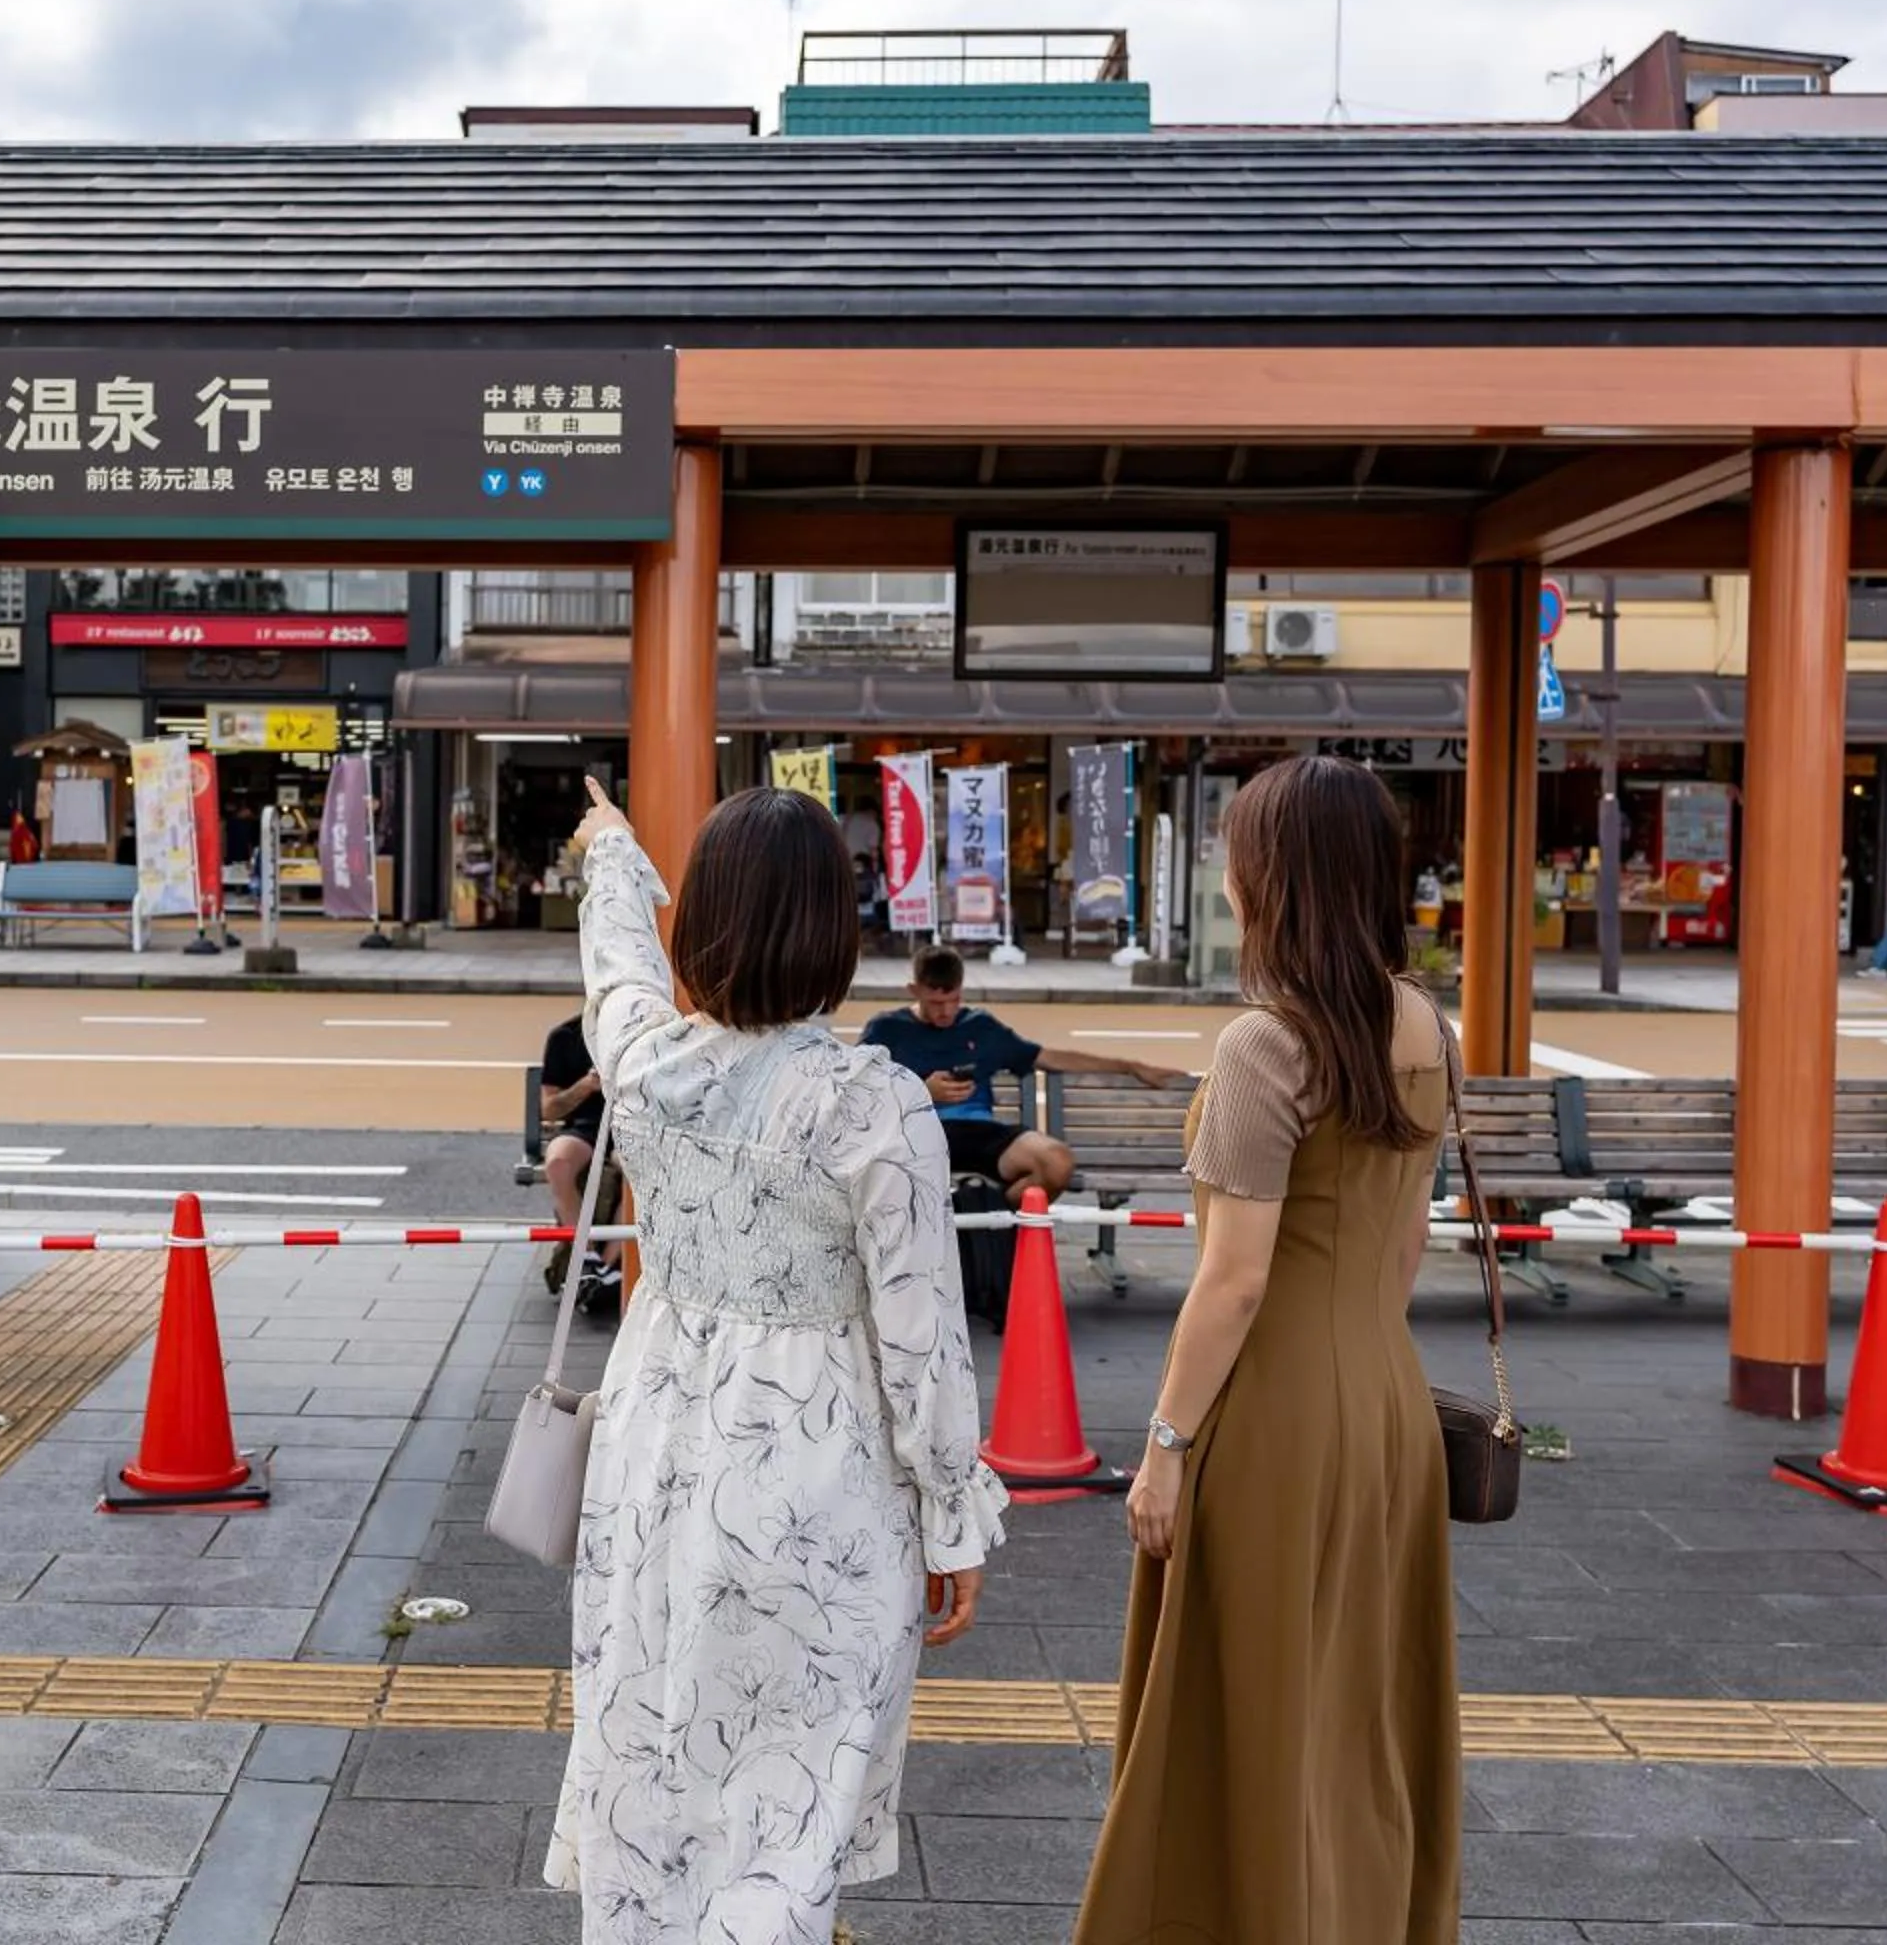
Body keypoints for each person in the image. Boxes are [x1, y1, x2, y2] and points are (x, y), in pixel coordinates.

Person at [544, 780, 1006, 1943]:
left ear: (702, 920)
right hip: (816, 1469)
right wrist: (955, 1517)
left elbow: (617, 971)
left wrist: (613, 854)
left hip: (654, 1453)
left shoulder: (645, 1063)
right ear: (831, 934)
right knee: (789, 1794)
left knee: (652, 1746)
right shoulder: (873, 1102)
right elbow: (922, 1336)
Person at [1072, 754, 1459, 1945]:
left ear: (1270, 877)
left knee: (1243, 1694)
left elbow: (1233, 1280)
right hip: (1386, 1398)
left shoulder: (1263, 1044)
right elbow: (1404, 1245)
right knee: (1355, 1703)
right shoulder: (1420, 1019)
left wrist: (1167, 1442)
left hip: (1276, 1410)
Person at [862, 945, 1186, 1201]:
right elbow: (856, 1094)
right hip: (914, 1134)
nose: (946, 1011)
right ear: (913, 990)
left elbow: (1050, 1057)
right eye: (935, 1002)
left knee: (1056, 1162)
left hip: (979, 1133)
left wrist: (1130, 1066)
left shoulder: (980, 1027)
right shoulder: (887, 1030)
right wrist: (920, 1092)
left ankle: (994, 1221)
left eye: (954, 1000)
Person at [536, 1013, 611, 1288]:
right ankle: (588, 1256)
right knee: (558, 1161)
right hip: (585, 1128)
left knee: (634, 1169)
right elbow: (549, 1110)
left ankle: (610, 1265)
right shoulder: (565, 1036)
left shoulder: (644, 1031)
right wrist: (586, 1086)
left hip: (629, 1128)